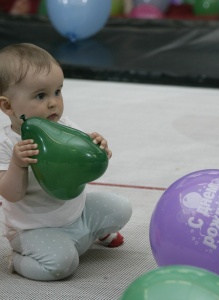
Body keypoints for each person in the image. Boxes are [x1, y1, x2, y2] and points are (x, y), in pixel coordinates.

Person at [0, 43, 132, 281]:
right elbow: (11, 194)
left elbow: (84, 163)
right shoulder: (6, 144)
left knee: (122, 208)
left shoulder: (65, 126)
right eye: (40, 95)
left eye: (58, 92)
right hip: (33, 229)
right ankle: (18, 260)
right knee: (61, 265)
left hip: (77, 214)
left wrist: (99, 148)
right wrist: (18, 165)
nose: (53, 103)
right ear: (7, 105)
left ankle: (90, 234)